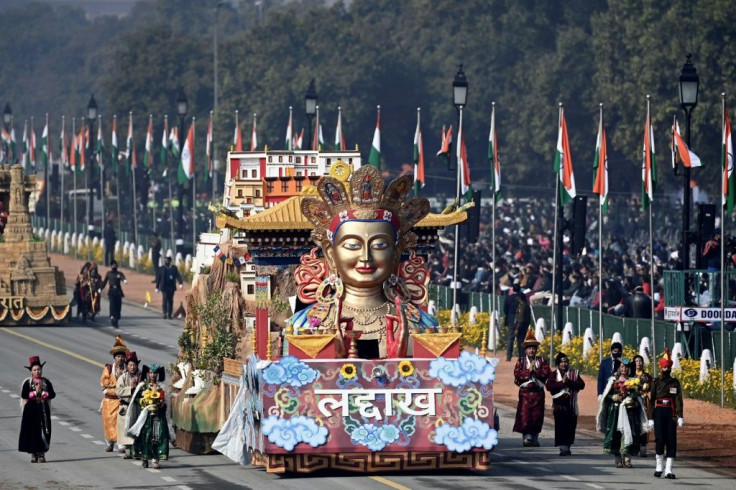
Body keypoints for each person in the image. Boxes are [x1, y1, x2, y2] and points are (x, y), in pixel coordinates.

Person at [289, 166, 438, 358]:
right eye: (352, 245)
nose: (365, 257)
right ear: (331, 253)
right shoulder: (305, 325)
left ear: (396, 253)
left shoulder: (422, 326)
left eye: (379, 245)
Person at [596, 358, 649, 468]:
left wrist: (632, 400)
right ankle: (617, 457)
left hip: (629, 412)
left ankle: (627, 457)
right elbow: (607, 396)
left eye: (625, 367)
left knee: (629, 433)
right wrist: (613, 397)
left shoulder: (633, 381)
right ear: (619, 369)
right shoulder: (613, 380)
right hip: (615, 412)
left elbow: (637, 395)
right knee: (616, 434)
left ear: (629, 369)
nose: (624, 369)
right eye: (622, 367)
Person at [647, 348, 684, 479]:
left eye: (668, 367)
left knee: (671, 440)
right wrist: (650, 417)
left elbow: (678, 399)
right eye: (664, 367)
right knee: (660, 439)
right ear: (661, 367)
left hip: (671, 412)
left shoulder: (675, 382)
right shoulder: (656, 382)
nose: (666, 369)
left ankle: (669, 469)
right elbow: (651, 401)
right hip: (659, 412)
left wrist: (680, 415)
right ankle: (659, 466)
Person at [127, 364, 170, 469]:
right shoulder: (143, 386)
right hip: (145, 416)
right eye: (150, 373)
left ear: (157, 374)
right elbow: (136, 399)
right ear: (147, 373)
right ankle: (145, 458)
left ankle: (156, 459)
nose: (152, 375)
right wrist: (143, 400)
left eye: (154, 373)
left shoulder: (162, 386)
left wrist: (161, 403)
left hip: (158, 416)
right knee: (145, 436)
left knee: (158, 437)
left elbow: (167, 402)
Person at [512, 327, 550, 447]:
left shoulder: (542, 360)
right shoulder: (521, 361)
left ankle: (535, 437)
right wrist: (529, 371)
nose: (532, 351)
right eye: (529, 348)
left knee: (537, 416)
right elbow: (517, 374)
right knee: (525, 415)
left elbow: (547, 373)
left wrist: (536, 372)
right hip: (525, 393)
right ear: (526, 350)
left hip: (538, 392)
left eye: (533, 348)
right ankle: (527, 437)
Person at [545, 351, 585, 456]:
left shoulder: (574, 373)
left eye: (566, 362)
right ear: (558, 364)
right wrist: (561, 383)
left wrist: (568, 382)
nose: (564, 364)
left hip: (571, 405)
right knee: (561, 426)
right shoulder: (553, 374)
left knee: (571, 426)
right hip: (559, 406)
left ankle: (568, 446)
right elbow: (549, 386)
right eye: (561, 362)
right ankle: (563, 448)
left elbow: (581, 385)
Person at [18, 356, 56, 463]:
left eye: (39, 369)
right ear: (31, 372)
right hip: (31, 410)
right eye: (35, 370)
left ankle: (41, 453)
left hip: (43, 409)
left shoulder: (46, 382)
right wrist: (35, 393)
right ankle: (33, 454)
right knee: (32, 431)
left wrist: (44, 393)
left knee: (44, 430)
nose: (37, 371)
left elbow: (52, 394)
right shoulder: (28, 382)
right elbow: (24, 394)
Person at [100, 336, 129, 452]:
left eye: (122, 356)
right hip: (110, 401)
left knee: (122, 423)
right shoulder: (108, 368)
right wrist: (112, 390)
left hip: (123, 401)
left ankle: (121, 444)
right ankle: (109, 443)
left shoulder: (128, 369)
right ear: (114, 358)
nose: (120, 359)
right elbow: (104, 384)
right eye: (118, 356)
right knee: (109, 422)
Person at [115, 351, 142, 459]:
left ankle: (137, 451)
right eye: (130, 365)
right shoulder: (123, 377)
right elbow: (118, 391)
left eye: (134, 365)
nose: (132, 367)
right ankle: (128, 451)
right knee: (126, 429)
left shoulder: (141, 377)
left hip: (137, 407)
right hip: (126, 407)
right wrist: (130, 388)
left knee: (137, 429)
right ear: (127, 366)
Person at [630, 354, 653, 457]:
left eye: (640, 361)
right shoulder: (630, 375)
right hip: (633, 401)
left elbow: (652, 388)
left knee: (644, 422)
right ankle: (634, 444)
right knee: (633, 422)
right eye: (636, 361)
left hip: (644, 402)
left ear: (643, 363)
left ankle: (643, 444)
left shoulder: (647, 376)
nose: (638, 363)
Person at [506, 284, 531, 361]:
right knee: (521, 340)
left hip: (518, 323)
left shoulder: (521, 305)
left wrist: (517, 328)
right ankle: (521, 357)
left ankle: (511, 356)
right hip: (523, 324)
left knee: (515, 340)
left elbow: (520, 318)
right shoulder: (526, 304)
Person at [100, 260, 127, 327]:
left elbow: (122, 277)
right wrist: (100, 288)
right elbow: (105, 282)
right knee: (112, 305)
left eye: (115, 265)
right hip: (111, 291)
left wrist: (124, 280)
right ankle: (112, 316)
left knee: (118, 305)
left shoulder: (119, 273)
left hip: (118, 291)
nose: (114, 266)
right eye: (113, 265)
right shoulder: (109, 273)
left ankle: (117, 318)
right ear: (111, 266)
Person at [156, 255, 183, 320]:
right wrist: (157, 287)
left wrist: (180, 283)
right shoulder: (162, 268)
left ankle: (170, 314)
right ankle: (165, 313)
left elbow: (177, 275)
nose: (166, 261)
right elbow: (158, 278)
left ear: (170, 261)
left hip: (171, 287)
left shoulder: (174, 268)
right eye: (165, 260)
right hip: (164, 287)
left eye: (167, 260)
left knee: (170, 300)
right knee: (165, 299)